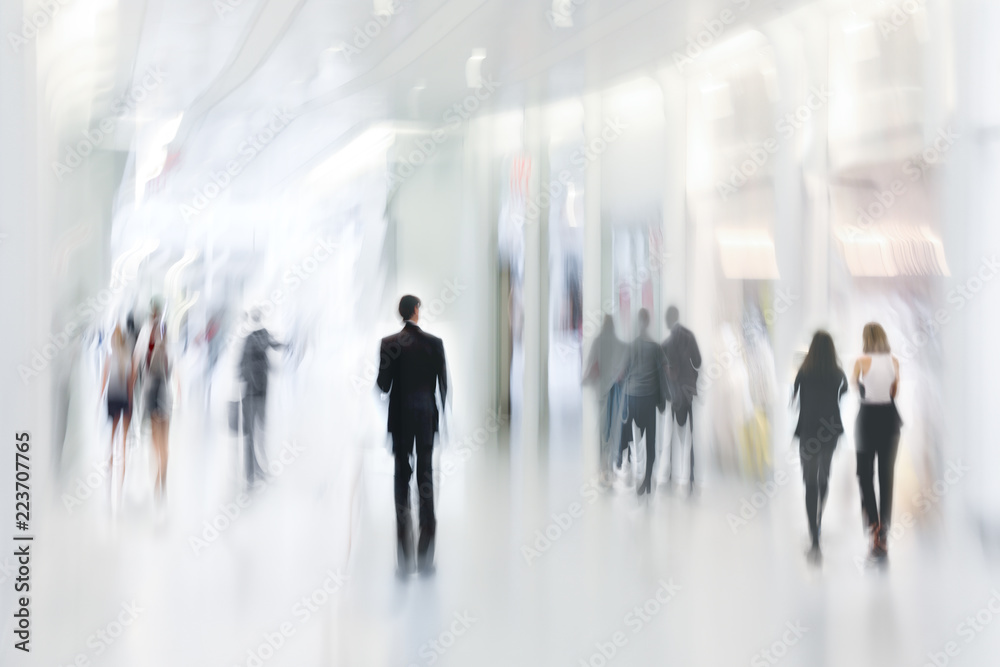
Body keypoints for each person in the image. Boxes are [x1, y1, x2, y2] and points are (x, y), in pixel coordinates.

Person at [376, 295, 448, 576]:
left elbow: (383, 385)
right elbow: (443, 387)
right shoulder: (434, 343)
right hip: (426, 418)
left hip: (401, 419)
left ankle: (404, 557)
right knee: (426, 480)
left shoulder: (388, 343)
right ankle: (426, 556)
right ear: (416, 311)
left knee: (401, 482)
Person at [791, 331, 847, 565]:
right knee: (824, 476)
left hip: (808, 431)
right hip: (830, 431)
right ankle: (819, 520)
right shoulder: (837, 373)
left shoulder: (804, 372)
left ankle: (814, 537)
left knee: (809, 482)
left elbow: (794, 398)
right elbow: (844, 392)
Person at [851, 322, 902, 562]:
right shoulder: (894, 361)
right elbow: (894, 393)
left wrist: (867, 388)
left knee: (864, 474)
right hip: (890, 421)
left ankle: (873, 525)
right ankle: (884, 534)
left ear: (866, 338)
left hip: (867, 420)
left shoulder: (861, 361)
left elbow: (856, 388)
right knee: (886, 477)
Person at [618, 309, 669, 496]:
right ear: (649, 323)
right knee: (651, 441)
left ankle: (630, 467)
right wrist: (663, 398)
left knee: (629, 434)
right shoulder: (656, 347)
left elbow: (622, 373)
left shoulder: (631, 346)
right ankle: (647, 479)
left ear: (638, 323)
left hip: (632, 397)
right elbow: (664, 373)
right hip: (649, 398)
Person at [239, 308, 283, 490]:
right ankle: (255, 471)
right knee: (257, 433)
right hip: (257, 393)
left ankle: (253, 472)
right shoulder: (260, 337)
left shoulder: (249, 339)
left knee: (252, 435)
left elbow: (240, 367)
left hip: (251, 393)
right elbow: (275, 345)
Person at [583, 315, 627, 487]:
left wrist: (586, 379)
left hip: (600, 392)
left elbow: (590, 363)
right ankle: (610, 465)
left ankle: (602, 466)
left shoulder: (597, 341)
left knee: (602, 428)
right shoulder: (620, 344)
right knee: (613, 427)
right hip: (615, 392)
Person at [662, 306, 701, 489]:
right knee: (690, 436)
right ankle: (691, 477)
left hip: (675, 394)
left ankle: (670, 475)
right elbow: (698, 361)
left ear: (668, 321)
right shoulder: (689, 336)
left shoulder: (667, 343)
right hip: (688, 392)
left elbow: (665, 371)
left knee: (672, 435)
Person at [101, 325, 135, 507]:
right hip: (124, 400)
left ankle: (110, 463)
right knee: (124, 437)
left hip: (112, 399)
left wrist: (99, 399)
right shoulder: (127, 357)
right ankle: (122, 467)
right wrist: (130, 401)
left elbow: (103, 380)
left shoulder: (110, 356)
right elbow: (130, 383)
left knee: (112, 435)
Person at [143, 301, 171, 503]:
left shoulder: (147, 335)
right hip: (165, 390)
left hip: (152, 388)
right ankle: (162, 479)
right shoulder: (167, 338)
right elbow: (172, 367)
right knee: (165, 439)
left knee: (155, 438)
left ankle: (157, 477)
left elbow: (140, 365)